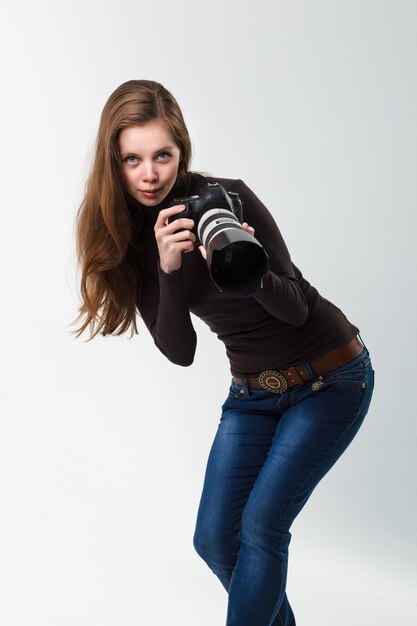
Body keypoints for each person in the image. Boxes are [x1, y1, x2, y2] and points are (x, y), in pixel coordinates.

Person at [72, 79, 375, 626]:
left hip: (330, 377)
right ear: (113, 164)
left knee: (261, 527)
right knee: (214, 539)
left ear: (181, 151)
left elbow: (297, 310)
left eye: (163, 155)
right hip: (252, 393)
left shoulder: (228, 196)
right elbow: (180, 351)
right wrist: (166, 270)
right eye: (132, 159)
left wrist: (238, 254)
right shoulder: (130, 242)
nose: (150, 174)